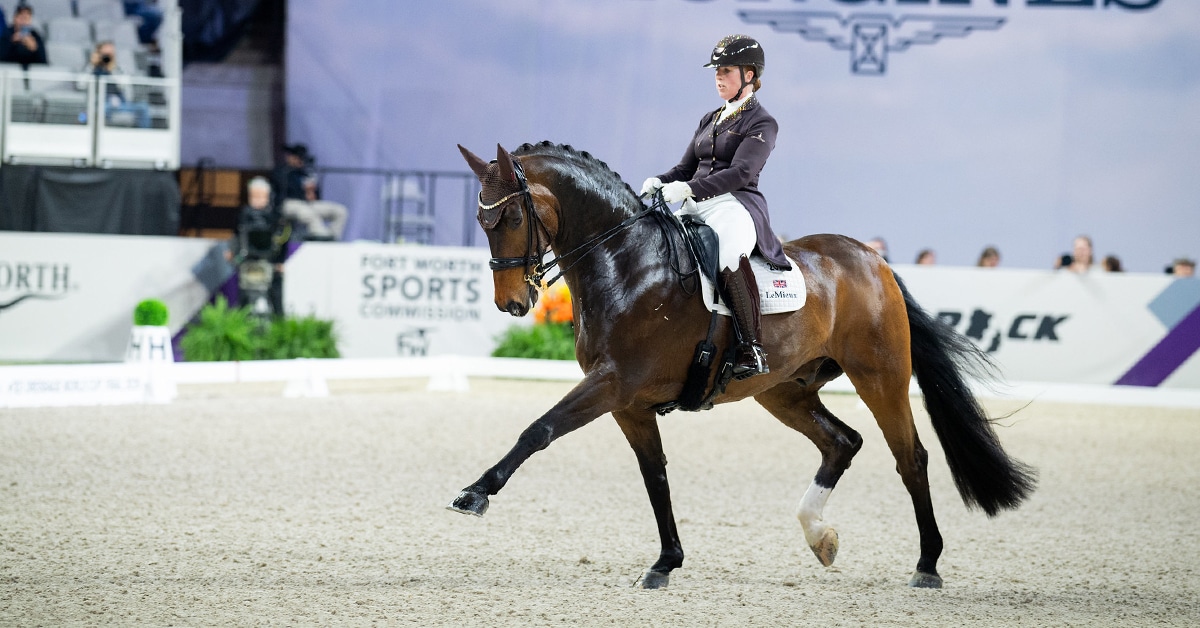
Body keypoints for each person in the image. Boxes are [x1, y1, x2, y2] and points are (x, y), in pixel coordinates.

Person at [640, 34, 788, 380]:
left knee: (726, 256)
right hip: (696, 202)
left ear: (749, 75)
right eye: (716, 71)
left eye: (726, 70)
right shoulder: (710, 118)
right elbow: (684, 168)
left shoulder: (762, 122)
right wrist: (661, 181)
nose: (719, 77)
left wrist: (687, 188)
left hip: (735, 204)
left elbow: (741, 173)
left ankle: (752, 348)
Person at [225, 177, 289, 316]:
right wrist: (232, 251)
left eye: (261, 196)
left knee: (275, 295)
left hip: (270, 262)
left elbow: (283, 239)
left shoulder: (275, 216)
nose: (257, 199)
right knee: (244, 297)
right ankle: (241, 324)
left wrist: (280, 261)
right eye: (254, 195)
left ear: (267, 196)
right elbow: (236, 235)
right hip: (248, 261)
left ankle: (279, 324)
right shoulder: (243, 214)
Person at [273, 143, 349, 241]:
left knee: (340, 211)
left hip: (308, 203)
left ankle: (333, 238)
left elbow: (316, 196)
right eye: (296, 157)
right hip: (289, 204)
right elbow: (283, 189)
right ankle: (324, 240)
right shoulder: (282, 171)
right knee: (307, 213)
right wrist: (301, 188)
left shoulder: (306, 173)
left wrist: (311, 192)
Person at [81, 40, 152, 128]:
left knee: (143, 107)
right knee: (101, 109)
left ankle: (144, 137)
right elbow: (81, 85)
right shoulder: (91, 68)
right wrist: (92, 65)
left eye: (111, 53)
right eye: (105, 53)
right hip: (100, 103)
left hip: (119, 103)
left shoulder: (117, 69)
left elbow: (125, 85)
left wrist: (113, 69)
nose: (107, 56)